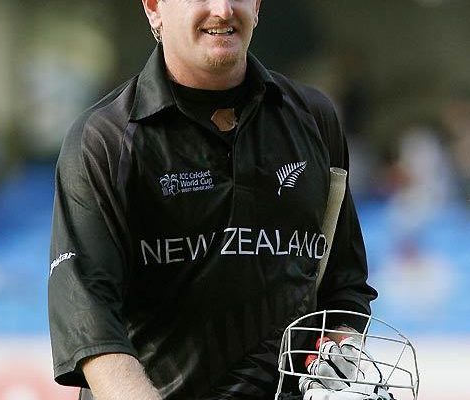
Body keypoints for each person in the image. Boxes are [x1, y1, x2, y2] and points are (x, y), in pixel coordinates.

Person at [48, 0, 378, 399]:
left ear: (257, 6)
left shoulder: (315, 119)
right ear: (154, 7)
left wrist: (340, 351)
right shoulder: (104, 141)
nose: (221, 10)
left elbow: (344, 283)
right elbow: (91, 324)